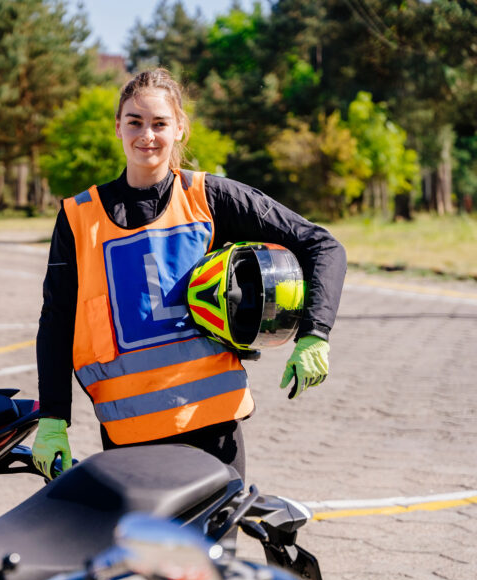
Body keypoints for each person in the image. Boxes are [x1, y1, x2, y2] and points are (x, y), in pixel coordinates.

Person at [32, 68, 346, 480]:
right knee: (145, 548)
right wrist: (53, 419)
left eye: (160, 123)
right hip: (129, 434)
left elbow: (322, 245)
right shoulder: (78, 218)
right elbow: (57, 322)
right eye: (135, 122)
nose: (147, 135)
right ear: (118, 127)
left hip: (213, 430)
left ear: (180, 128)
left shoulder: (209, 197)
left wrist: (314, 335)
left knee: (211, 548)